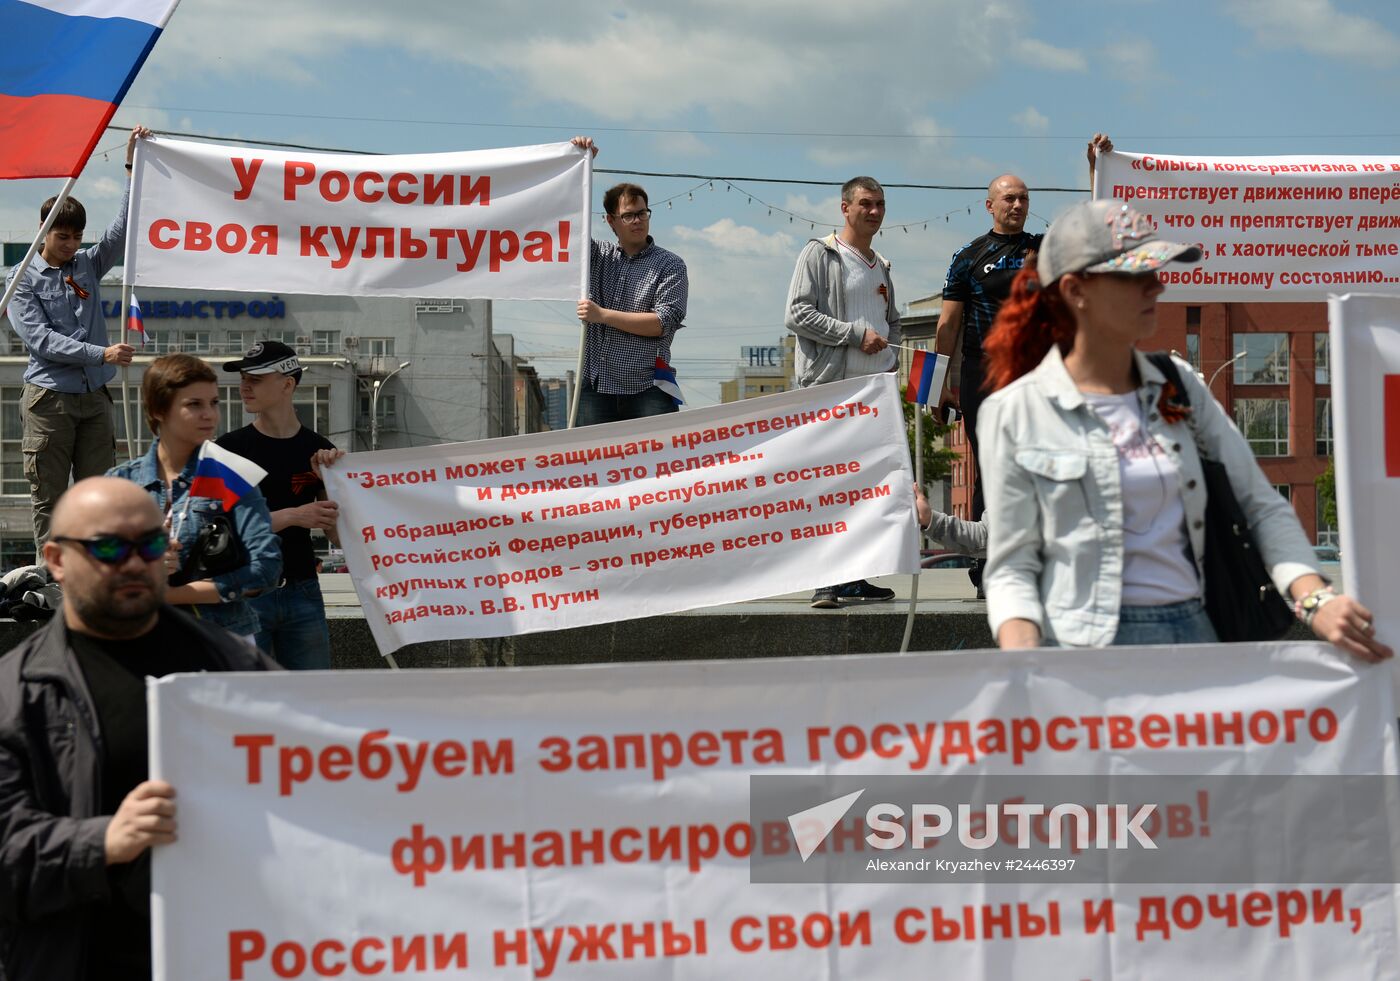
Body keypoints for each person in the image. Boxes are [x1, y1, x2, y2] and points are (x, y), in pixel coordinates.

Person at [977, 198, 1392, 661]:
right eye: (1136, 274)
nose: (1157, 285)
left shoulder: (1181, 385)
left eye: (1158, 269)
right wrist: (1025, 664)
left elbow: (1261, 505)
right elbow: (1012, 566)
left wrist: (1317, 600)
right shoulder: (1013, 411)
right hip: (1079, 654)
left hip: (1197, 639)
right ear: (1076, 290)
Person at [0, 477, 277, 980]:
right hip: (79, 961)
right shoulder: (13, 695)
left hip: (225, 959)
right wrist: (105, 840)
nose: (133, 562)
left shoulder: (242, 671)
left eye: (149, 545)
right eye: (108, 547)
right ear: (57, 560)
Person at [934, 134, 1112, 595]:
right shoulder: (967, 258)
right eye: (1009, 198)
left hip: (1037, 371)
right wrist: (936, 389)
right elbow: (946, 329)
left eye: (1024, 198)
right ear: (989, 205)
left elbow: (1092, 230)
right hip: (984, 374)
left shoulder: (1044, 245)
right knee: (991, 467)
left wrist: (1096, 169)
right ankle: (987, 565)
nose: (1018, 204)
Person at [4, 126, 152, 555]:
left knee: (98, 499)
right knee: (50, 500)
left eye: (76, 236)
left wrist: (130, 166)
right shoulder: (19, 281)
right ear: (43, 231)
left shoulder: (87, 264)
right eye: (61, 236)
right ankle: (52, 584)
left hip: (95, 398)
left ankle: (94, 576)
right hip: (49, 400)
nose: (71, 245)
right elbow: (40, 340)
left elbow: (121, 231)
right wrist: (100, 353)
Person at [785, 176, 902, 608]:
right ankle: (825, 580)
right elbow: (796, 313)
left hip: (874, 395)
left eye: (880, 205)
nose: (874, 212)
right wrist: (854, 335)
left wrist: (890, 365)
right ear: (845, 208)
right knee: (828, 487)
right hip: (831, 390)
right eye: (866, 204)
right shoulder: (821, 253)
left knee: (865, 491)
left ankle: (856, 576)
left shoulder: (882, 264)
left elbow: (894, 323)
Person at [108, 354, 281, 641]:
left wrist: (172, 595)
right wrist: (141, 561)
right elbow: (91, 562)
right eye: (194, 404)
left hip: (221, 640)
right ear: (158, 410)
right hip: (136, 639)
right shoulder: (121, 482)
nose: (209, 415)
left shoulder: (229, 474)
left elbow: (266, 567)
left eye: (214, 403)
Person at [217, 341, 341, 669]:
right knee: (247, 704)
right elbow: (219, 530)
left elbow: (339, 539)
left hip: (302, 590)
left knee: (311, 701)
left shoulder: (319, 449)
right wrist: (294, 516)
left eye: (255, 379)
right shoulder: (227, 448)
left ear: (288, 384)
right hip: (245, 592)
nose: (244, 387)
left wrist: (330, 482)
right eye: (243, 378)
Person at [569, 137, 689, 426]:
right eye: (628, 215)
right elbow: (570, 220)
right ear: (611, 221)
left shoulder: (670, 264)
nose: (637, 221)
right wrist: (581, 166)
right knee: (591, 465)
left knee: (659, 466)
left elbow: (661, 323)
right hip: (596, 387)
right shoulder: (596, 256)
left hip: (649, 388)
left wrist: (602, 315)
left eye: (642, 213)